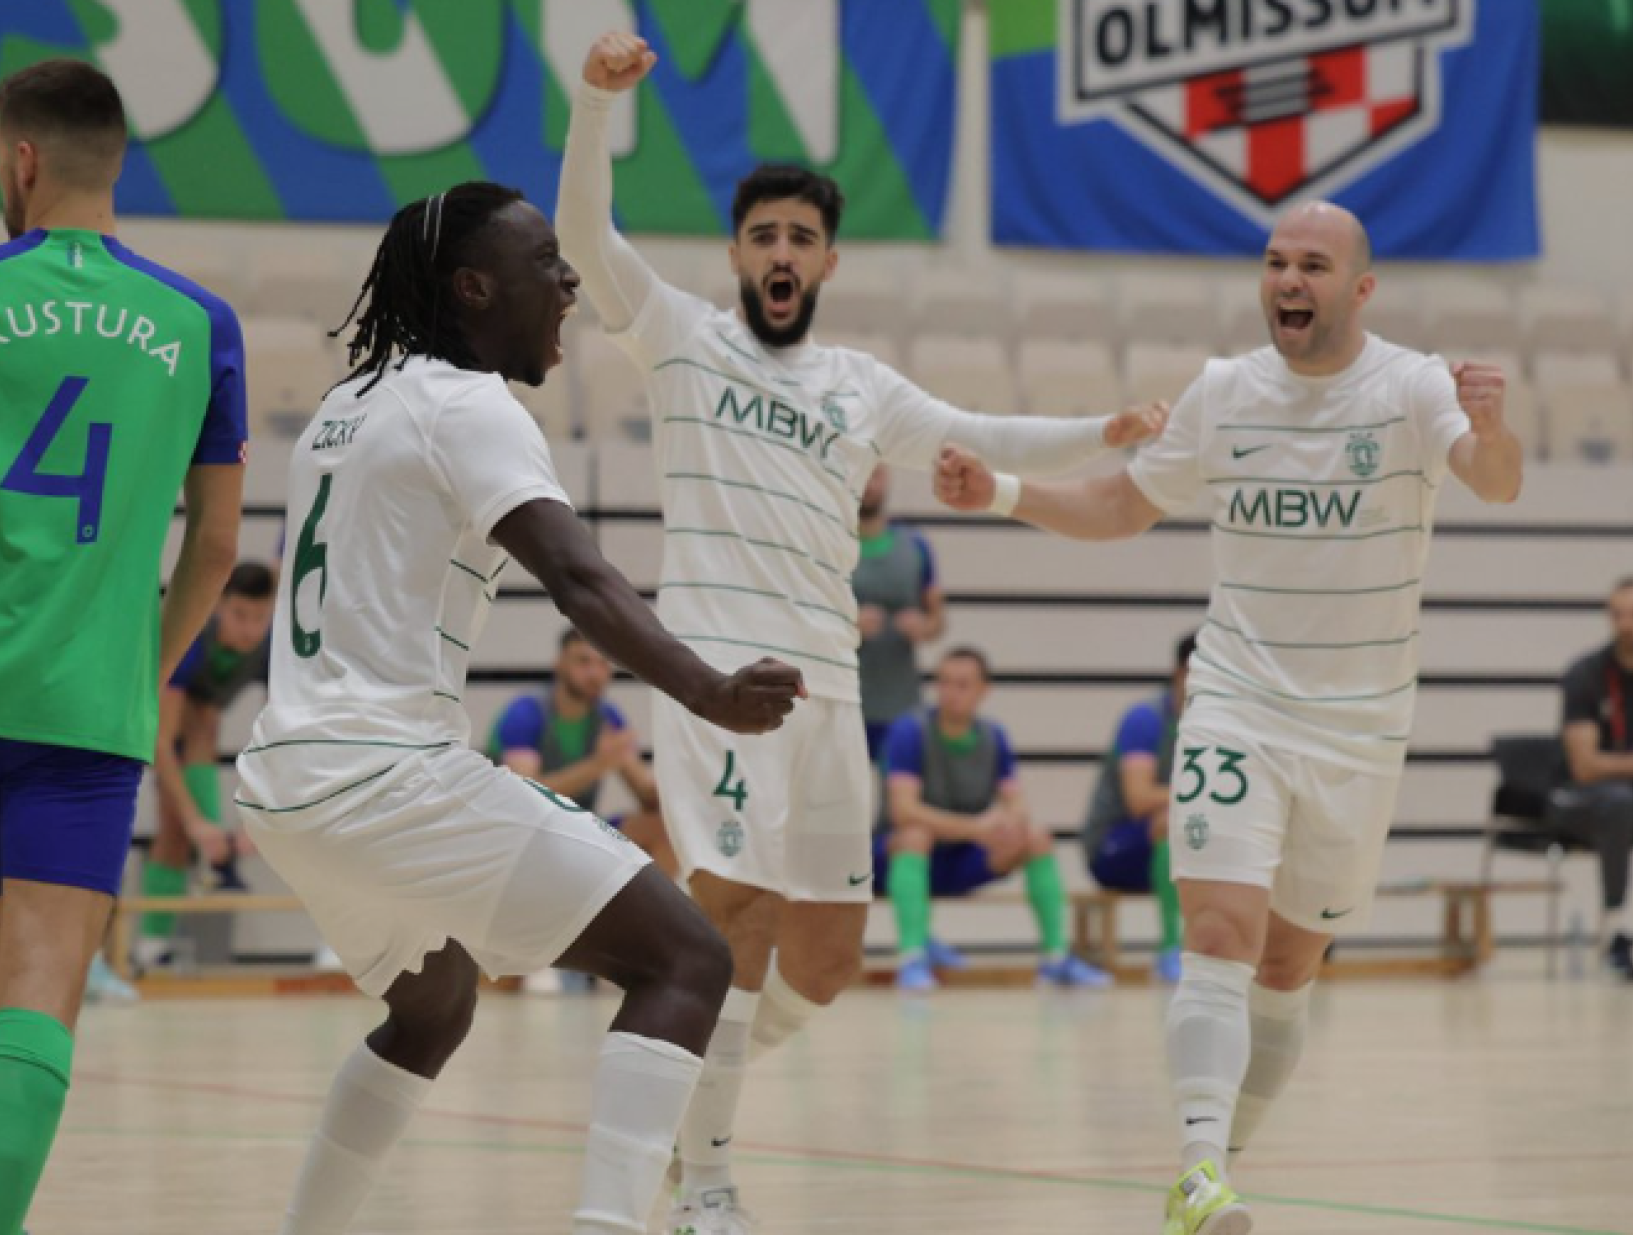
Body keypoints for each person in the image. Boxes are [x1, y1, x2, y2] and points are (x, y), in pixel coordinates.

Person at [556, 33, 1164, 1230]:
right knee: (728, 915)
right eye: (763, 235)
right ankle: (710, 1181)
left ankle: (679, 1072)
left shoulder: (858, 385)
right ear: (737, 253)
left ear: (826, 258)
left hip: (832, 693)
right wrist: (592, 102)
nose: (780, 253)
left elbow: (983, 429)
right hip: (721, 679)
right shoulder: (680, 334)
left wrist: (1110, 425)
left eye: (800, 238)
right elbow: (582, 237)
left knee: (823, 964)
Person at [936, 201, 1522, 1235]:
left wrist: (1493, 427)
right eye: (1274, 261)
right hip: (1236, 702)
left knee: (1289, 967)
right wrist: (1001, 491)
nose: (1287, 280)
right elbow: (1121, 504)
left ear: (1358, 288)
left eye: (1312, 265)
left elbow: (1496, 481)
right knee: (1217, 931)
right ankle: (1201, 1171)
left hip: (1360, 729)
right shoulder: (1222, 392)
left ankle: (1208, 1168)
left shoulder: (1411, 385)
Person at [233, 180, 805, 1235]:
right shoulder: (468, 403)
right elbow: (579, 582)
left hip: (283, 779)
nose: (570, 280)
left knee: (434, 1001)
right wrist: (708, 690)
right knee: (686, 959)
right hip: (383, 774)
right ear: (473, 288)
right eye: (547, 263)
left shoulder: (346, 402)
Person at [0, 59, 246, 1234]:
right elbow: (220, 538)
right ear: (114, 162)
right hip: (89, 706)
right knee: (43, 998)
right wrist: (143, 662)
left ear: (21, 158)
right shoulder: (201, 324)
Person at [879, 647, 1112, 991]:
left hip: (961, 859)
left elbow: (1017, 804)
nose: (950, 693)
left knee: (1036, 838)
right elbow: (904, 811)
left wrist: (1007, 824)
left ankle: (1056, 959)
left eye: (962, 685)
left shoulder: (994, 736)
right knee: (915, 834)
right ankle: (912, 957)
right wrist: (977, 828)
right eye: (943, 683)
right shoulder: (909, 731)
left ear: (984, 690)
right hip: (898, 859)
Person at [138, 560, 276, 966]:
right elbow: (159, 742)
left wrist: (262, 819)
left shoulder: (271, 647)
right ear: (218, 606)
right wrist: (197, 822)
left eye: (260, 618)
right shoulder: (191, 639)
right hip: (144, 712)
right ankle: (214, 860)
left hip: (199, 718)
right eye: (239, 615)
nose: (250, 628)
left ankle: (155, 941)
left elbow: (281, 738)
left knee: (205, 720)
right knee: (177, 824)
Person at [487, 627, 675, 875]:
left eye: (603, 664)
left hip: (578, 834)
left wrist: (687, 789)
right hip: (522, 839)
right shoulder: (525, 713)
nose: (595, 673)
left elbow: (647, 796)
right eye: (583, 661)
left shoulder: (608, 717)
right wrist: (598, 764)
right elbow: (525, 798)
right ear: (559, 663)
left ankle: (649, 914)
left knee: (663, 828)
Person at [1549, 575, 1633, 983]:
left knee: (1627, 799)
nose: (1627, 624)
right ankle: (1615, 930)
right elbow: (1585, 766)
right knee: (1619, 801)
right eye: (1618, 615)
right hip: (1582, 801)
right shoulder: (1586, 674)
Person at [1082, 633, 1193, 983]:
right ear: (1180, 673)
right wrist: (1199, 792)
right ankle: (1169, 949)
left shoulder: (1218, 726)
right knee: (1169, 821)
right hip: (1114, 846)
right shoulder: (1145, 720)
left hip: (1178, 844)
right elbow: (1139, 798)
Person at [854, 463, 945, 757]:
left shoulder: (915, 545)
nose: (869, 484)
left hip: (901, 697)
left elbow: (937, 619)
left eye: (876, 474)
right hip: (847, 695)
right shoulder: (831, 543)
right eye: (863, 474)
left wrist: (923, 626)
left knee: (900, 790)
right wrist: (847, 626)